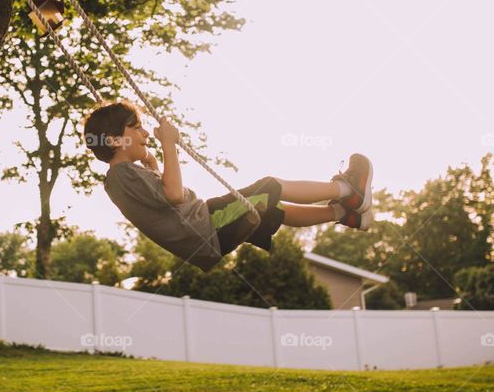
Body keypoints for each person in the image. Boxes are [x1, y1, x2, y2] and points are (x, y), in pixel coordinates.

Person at [82, 100, 373, 271]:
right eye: (136, 127)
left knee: (274, 211)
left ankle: (347, 215)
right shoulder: (123, 174)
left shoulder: (117, 181)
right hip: (207, 226)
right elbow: (172, 194)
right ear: (114, 140)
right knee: (269, 186)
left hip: (203, 235)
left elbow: (157, 194)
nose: (145, 132)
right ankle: (349, 190)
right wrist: (169, 145)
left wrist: (151, 159)